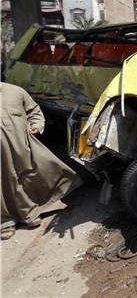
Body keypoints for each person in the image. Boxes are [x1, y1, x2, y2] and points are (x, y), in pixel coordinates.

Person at [1, 83, 81, 240]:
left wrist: (36, 125)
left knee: (27, 179)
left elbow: (34, 111)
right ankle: (5, 222)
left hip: (22, 149)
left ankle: (28, 214)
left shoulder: (15, 91)